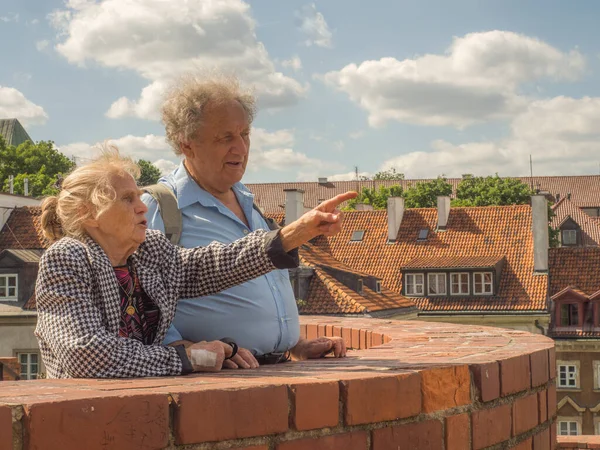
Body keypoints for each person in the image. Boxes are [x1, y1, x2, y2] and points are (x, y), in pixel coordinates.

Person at [36, 148, 355, 379]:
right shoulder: (68, 257)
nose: (142, 208)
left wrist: (292, 234)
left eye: (138, 196)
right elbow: (84, 354)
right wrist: (187, 358)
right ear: (87, 214)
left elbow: (213, 265)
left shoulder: (148, 252)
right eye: (127, 199)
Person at [142, 74, 348, 366]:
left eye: (245, 134)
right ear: (187, 144)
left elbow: (264, 288)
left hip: (275, 373)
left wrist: (297, 346)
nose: (241, 147)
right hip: (214, 386)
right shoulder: (159, 207)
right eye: (225, 137)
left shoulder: (250, 204)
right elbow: (141, 305)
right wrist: (190, 351)